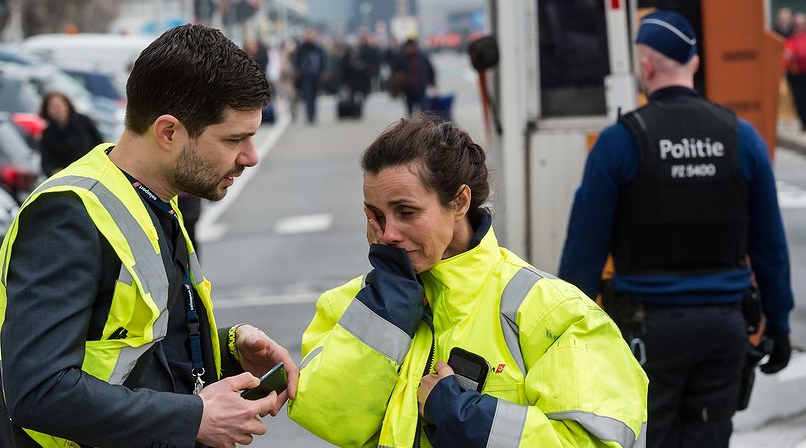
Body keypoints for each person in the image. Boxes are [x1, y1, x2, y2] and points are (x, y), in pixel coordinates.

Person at [0, 24, 298, 448]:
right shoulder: (68, 215)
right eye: (235, 139)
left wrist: (230, 347)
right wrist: (193, 417)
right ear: (168, 132)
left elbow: (138, 350)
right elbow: (38, 389)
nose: (250, 156)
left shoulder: (153, 198)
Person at [288, 114, 648, 447]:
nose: (389, 234)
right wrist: (386, 313)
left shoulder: (555, 313)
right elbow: (329, 416)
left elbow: (596, 441)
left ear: (460, 202)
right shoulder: (352, 305)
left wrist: (464, 419)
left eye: (406, 212)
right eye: (377, 216)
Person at [558, 10, 795, 448]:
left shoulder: (620, 143)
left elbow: (583, 255)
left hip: (647, 335)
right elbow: (770, 248)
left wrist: (563, 338)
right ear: (695, 63)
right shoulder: (742, 139)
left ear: (646, 67)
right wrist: (779, 325)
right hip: (724, 331)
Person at [38, 91, 103, 177]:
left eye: (60, 105)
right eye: (53, 107)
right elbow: (47, 164)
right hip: (69, 178)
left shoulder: (83, 121)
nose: (58, 110)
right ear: (47, 111)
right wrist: (57, 173)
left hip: (93, 171)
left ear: (67, 106)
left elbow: (99, 143)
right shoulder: (47, 135)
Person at [293, 28, 327, 124]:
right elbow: (297, 61)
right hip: (305, 76)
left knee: (314, 95)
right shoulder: (301, 48)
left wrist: (324, 71)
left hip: (316, 75)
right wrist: (297, 70)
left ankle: (313, 114)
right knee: (308, 95)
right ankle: (309, 114)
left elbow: (323, 60)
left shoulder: (318, 48)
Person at [394, 38, 436, 115]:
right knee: (410, 112)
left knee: (424, 111)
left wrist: (433, 83)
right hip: (408, 89)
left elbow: (430, 70)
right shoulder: (402, 58)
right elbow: (395, 72)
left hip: (421, 88)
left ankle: (422, 122)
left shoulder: (422, 56)